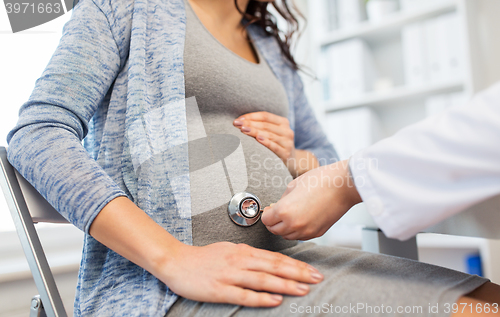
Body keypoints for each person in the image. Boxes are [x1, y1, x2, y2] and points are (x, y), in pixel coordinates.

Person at [6, 0, 491, 316]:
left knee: (485, 303)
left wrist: (295, 156)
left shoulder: (268, 45)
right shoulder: (125, 9)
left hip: (286, 257)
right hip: (163, 288)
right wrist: (175, 259)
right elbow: (37, 134)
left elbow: (325, 160)